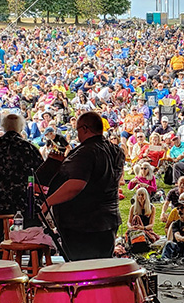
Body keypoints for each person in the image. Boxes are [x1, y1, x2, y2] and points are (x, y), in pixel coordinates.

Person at [42, 111, 124, 261]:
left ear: (85, 129)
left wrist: (48, 202)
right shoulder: (116, 151)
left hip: (83, 224)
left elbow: (75, 185)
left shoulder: (85, 152)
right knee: (103, 266)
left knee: (82, 268)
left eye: (78, 129)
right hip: (108, 219)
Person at [0, 113, 45, 246]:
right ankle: (33, 259)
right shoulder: (29, 148)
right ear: (21, 128)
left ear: (3, 126)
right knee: (34, 224)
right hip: (22, 202)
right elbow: (40, 175)